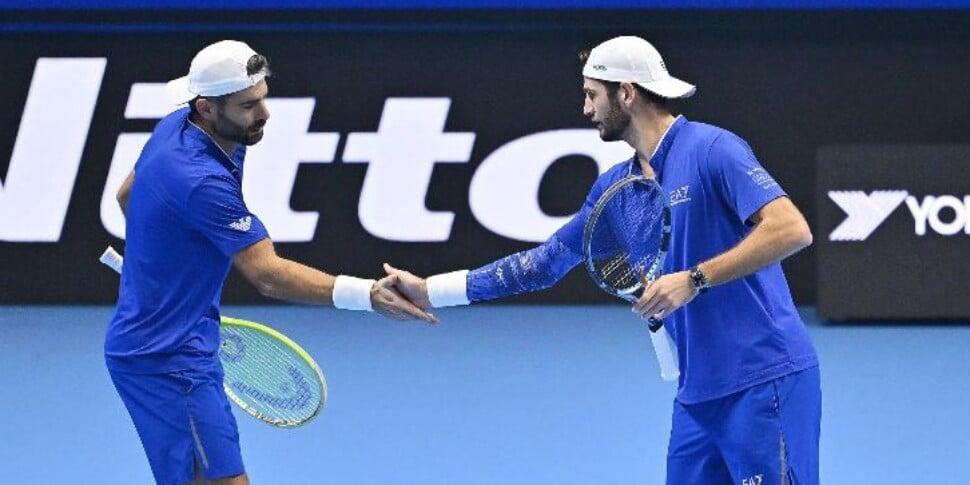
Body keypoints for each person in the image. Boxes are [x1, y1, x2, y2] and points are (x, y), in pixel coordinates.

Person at [384, 35, 820, 485]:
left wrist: (693, 279)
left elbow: (791, 229)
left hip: (764, 380)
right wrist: (431, 290)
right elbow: (545, 262)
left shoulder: (713, 149)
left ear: (626, 92)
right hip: (697, 397)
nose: (586, 109)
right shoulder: (616, 190)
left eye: (592, 94)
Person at [105, 40, 437, 485]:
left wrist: (159, 273)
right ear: (205, 107)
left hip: (179, 340)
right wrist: (368, 295)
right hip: (167, 359)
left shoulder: (178, 127)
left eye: (263, 98)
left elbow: (128, 195)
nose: (264, 114)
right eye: (248, 105)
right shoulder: (201, 181)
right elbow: (267, 275)